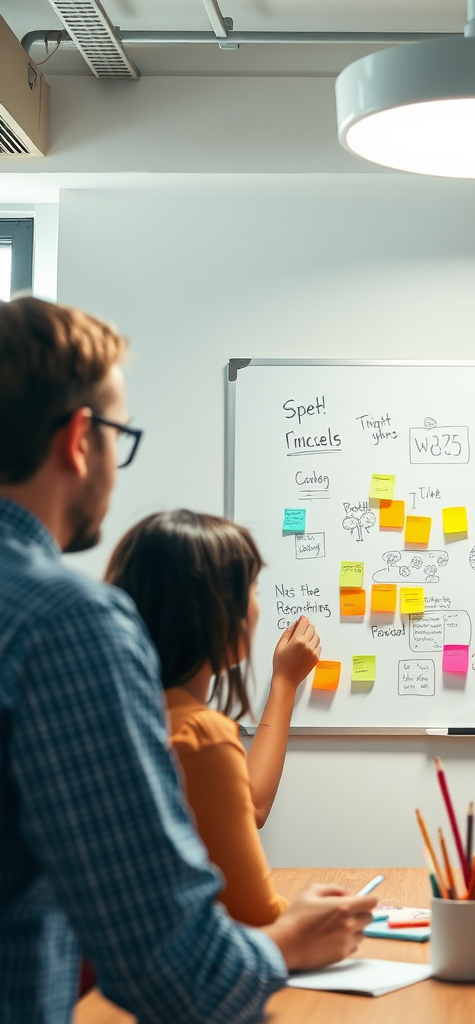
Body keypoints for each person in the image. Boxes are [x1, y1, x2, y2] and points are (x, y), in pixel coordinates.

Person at [0, 296, 375, 1024]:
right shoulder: (68, 625)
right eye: (119, 435)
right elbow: (170, 968)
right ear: (81, 439)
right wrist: (287, 943)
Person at [105, 510, 317, 927]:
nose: (258, 607)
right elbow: (258, 916)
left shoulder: (112, 712)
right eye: (253, 590)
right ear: (218, 612)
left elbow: (244, 800)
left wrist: (284, 682)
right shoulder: (200, 733)